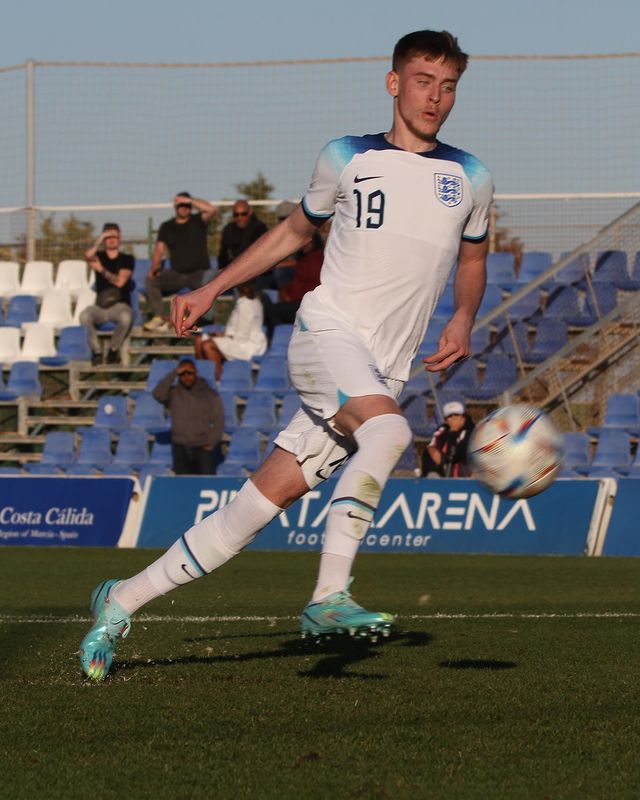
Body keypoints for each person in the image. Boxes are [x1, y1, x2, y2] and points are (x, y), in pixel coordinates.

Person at [79, 29, 493, 680]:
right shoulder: (347, 156)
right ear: (394, 83)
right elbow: (295, 233)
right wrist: (211, 287)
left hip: (380, 368)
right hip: (327, 335)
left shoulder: (470, 175)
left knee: (251, 511)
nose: (435, 97)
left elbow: (473, 257)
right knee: (388, 431)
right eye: (422, 81)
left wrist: (464, 315)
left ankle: (119, 600)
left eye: (447, 86)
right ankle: (328, 596)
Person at [144, 192, 217, 331]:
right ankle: (160, 319)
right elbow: (159, 249)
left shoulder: (198, 221)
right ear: (175, 207)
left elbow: (211, 209)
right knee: (151, 281)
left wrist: (189, 199)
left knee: (209, 283)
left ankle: (205, 323)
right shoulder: (166, 226)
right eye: (180, 205)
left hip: (199, 274)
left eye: (187, 205)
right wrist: (154, 267)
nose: (184, 208)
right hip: (177, 274)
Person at [152, 358, 224, 475]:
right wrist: (174, 373)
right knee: (183, 486)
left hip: (203, 449)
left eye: (190, 373)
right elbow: (157, 394)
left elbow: (219, 420)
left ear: (196, 373)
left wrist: (212, 442)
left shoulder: (209, 394)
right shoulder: (173, 393)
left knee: (204, 485)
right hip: (180, 449)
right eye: (183, 374)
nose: (187, 377)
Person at [81, 223, 134, 365]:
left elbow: (120, 282)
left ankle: (113, 349)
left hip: (119, 304)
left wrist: (101, 269)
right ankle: (96, 352)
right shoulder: (98, 256)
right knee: (85, 316)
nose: (111, 239)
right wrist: (100, 239)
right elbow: (87, 255)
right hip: (101, 306)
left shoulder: (127, 259)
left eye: (114, 236)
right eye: (108, 236)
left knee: (126, 317)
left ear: (120, 238)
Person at [193, 281, 267, 381]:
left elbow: (242, 335)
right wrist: (222, 335)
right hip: (236, 339)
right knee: (198, 340)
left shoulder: (247, 304)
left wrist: (223, 336)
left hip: (247, 345)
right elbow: (234, 330)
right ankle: (202, 378)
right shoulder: (243, 303)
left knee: (208, 345)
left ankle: (218, 380)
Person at [261, 231, 323, 342]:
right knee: (268, 302)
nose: (305, 245)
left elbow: (308, 283)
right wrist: (284, 291)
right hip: (299, 301)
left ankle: (278, 341)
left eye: (309, 242)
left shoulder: (317, 258)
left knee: (271, 311)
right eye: (303, 242)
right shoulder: (305, 259)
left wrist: (286, 293)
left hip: (307, 304)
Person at [421, 400, 475, 477]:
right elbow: (432, 449)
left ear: (463, 418)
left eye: (456, 415)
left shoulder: (472, 432)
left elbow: (458, 455)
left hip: (467, 469)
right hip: (445, 467)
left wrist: (453, 432)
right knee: (429, 451)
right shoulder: (443, 430)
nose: (453, 418)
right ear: (446, 421)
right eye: (449, 416)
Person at [217, 200, 268, 272]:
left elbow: (262, 253)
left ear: (250, 212)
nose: (239, 217)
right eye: (236, 214)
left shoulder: (259, 228)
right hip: (234, 269)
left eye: (243, 214)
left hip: (256, 268)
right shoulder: (228, 229)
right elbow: (223, 254)